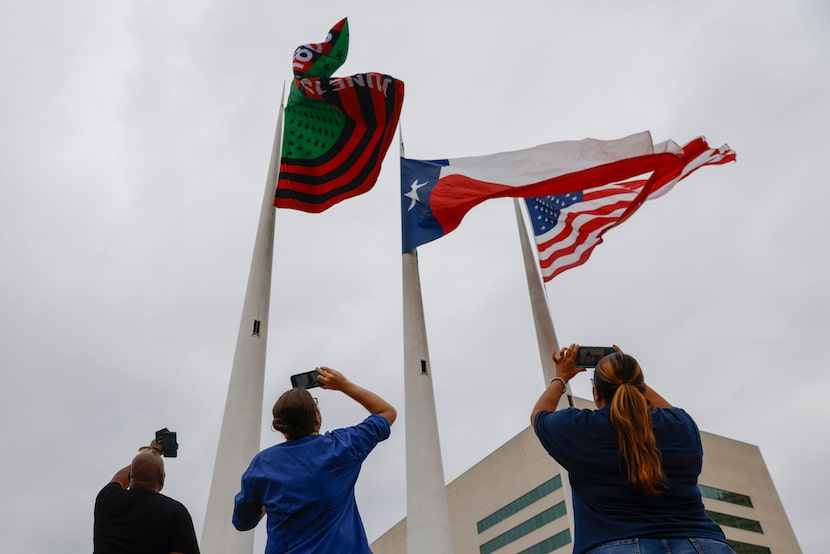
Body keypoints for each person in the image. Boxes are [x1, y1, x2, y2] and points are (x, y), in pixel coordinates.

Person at [531, 344, 735, 554]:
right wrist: (627, 373)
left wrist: (561, 377)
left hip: (613, 546)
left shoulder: (579, 428)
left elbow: (539, 414)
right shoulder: (680, 425)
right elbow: (669, 409)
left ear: (595, 391)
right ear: (641, 387)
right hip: (704, 545)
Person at [233, 365, 397, 554]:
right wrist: (343, 385)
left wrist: (265, 498)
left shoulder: (262, 464)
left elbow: (243, 521)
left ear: (282, 426)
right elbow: (387, 412)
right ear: (316, 418)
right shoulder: (342, 447)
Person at [93, 440, 200, 554]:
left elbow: (120, 477)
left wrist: (152, 450)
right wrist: (154, 453)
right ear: (162, 479)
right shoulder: (175, 512)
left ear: (130, 476)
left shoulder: (107, 498)